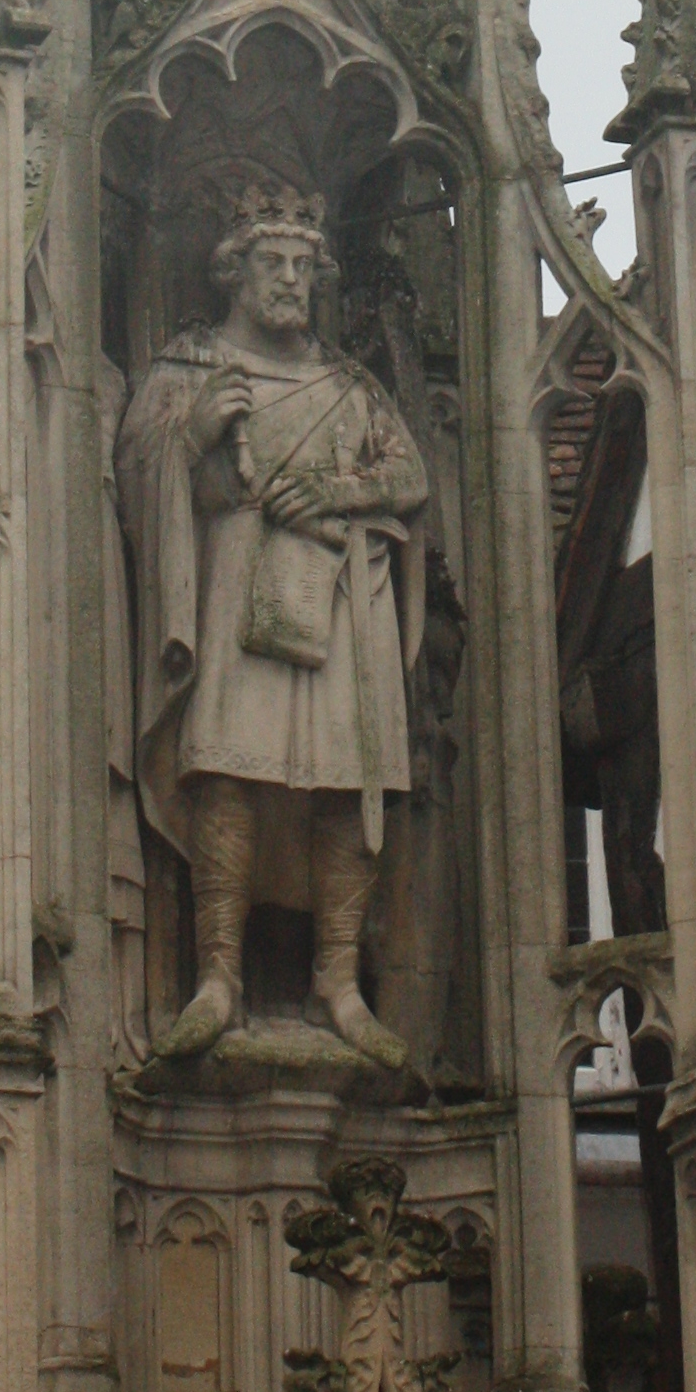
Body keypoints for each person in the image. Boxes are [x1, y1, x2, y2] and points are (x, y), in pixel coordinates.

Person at [115, 178, 428, 1064]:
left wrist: (337, 490)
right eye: (273, 263)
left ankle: (339, 983)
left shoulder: (350, 385)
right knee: (226, 772)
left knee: (346, 784)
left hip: (337, 605)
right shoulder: (189, 370)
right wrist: (193, 436)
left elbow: (409, 477)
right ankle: (219, 979)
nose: (292, 280)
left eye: (303, 265)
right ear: (235, 272)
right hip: (230, 596)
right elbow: (135, 483)